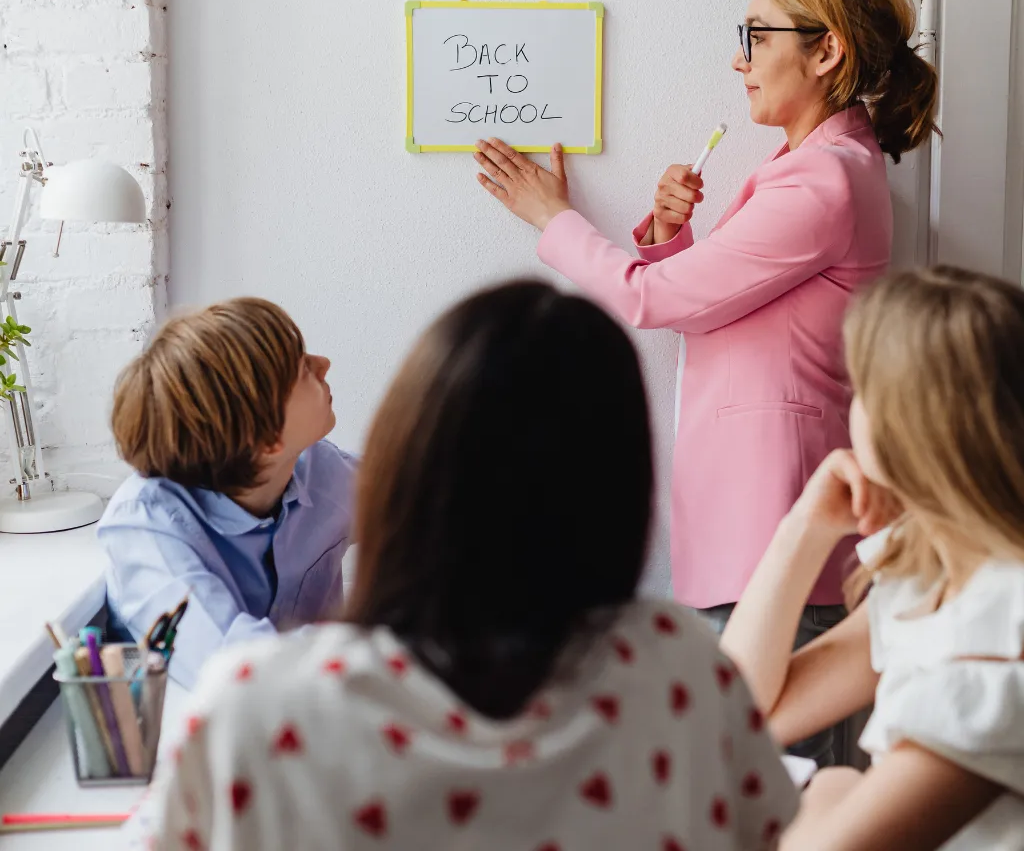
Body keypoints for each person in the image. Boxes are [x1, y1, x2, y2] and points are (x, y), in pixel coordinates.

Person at [474, 0, 938, 764]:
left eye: (756, 35)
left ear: (826, 49)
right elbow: (709, 308)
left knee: (771, 789)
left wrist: (551, 219)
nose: (739, 59)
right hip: (752, 529)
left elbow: (654, 303)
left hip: (776, 532)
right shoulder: (809, 168)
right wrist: (671, 233)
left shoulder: (822, 182)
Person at [144, 282, 797, 850]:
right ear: (624, 486)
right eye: (301, 370)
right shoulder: (680, 664)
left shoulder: (255, 705)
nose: (324, 365)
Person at [721, 267, 1024, 850]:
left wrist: (834, 795)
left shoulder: (1004, 625)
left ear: (912, 429)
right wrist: (803, 530)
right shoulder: (930, 571)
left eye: (861, 392)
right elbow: (737, 715)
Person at [98, 297, 357, 689]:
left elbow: (435, 503)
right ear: (267, 438)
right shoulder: (146, 528)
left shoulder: (318, 467)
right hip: (194, 740)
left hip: (316, 722)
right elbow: (240, 673)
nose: (323, 364)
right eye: (302, 369)